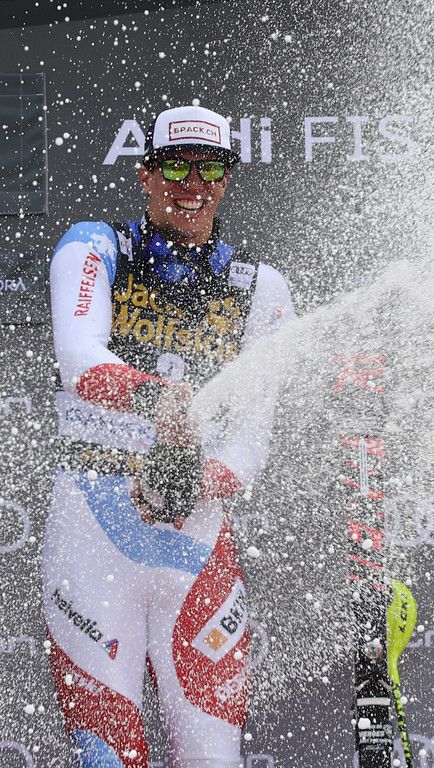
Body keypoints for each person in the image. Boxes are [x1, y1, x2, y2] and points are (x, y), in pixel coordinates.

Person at [43, 105, 294, 768]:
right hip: (93, 537)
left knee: (213, 759)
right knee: (108, 758)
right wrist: (161, 401)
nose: (193, 184)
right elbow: (78, 358)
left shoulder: (261, 288)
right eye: (176, 167)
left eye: (210, 169)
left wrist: (195, 478)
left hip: (195, 543)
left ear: (227, 179)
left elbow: (250, 442)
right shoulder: (96, 246)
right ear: (146, 175)